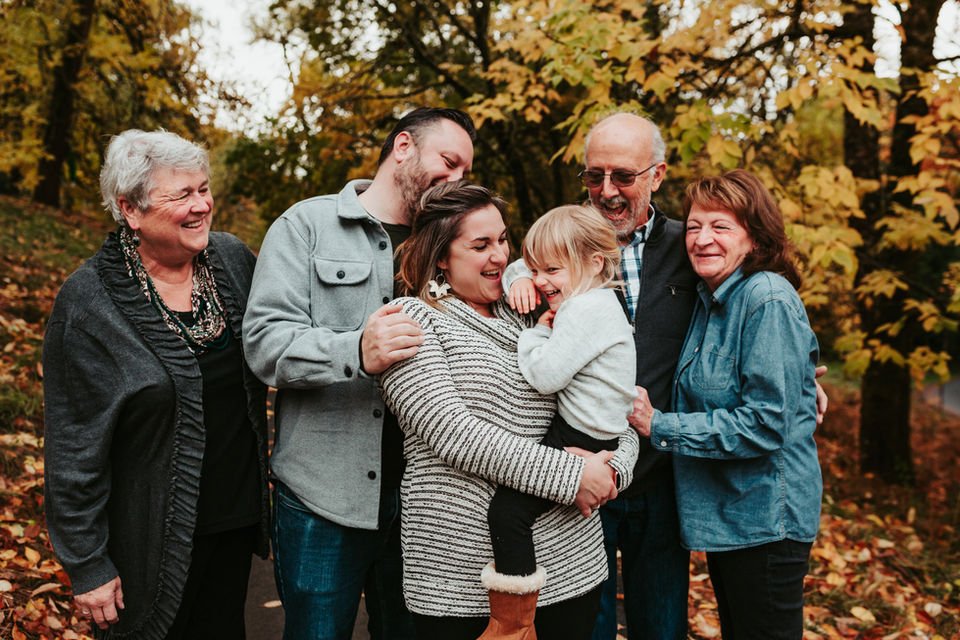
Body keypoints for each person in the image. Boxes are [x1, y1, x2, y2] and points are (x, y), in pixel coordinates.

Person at [242, 107, 475, 639]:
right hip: (323, 499)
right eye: (449, 161)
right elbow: (262, 344)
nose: (457, 179)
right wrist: (354, 350)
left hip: (425, 506)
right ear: (403, 147)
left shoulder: (449, 242)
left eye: (466, 171)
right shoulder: (306, 225)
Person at [378, 181, 640, 640]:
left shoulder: (538, 309)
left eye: (502, 240)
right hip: (460, 575)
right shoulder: (413, 319)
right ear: (442, 256)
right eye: (481, 245)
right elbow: (454, 434)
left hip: (570, 560)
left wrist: (615, 470)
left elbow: (611, 403)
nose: (499, 255)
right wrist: (571, 476)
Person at [43, 129, 270, 639]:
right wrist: (88, 564)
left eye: (204, 189)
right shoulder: (88, 303)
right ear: (130, 209)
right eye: (182, 195)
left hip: (232, 524)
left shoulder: (234, 263)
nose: (201, 206)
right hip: (143, 540)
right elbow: (72, 445)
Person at [630, 169, 822, 639]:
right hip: (732, 520)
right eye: (694, 226)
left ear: (754, 239)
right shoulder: (713, 298)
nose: (701, 238)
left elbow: (765, 424)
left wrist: (660, 425)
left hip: (767, 521)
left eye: (721, 226)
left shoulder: (764, 297)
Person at [485, 204, 636, 592]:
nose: (541, 281)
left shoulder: (583, 310)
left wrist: (534, 333)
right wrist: (521, 275)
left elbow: (544, 376)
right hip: (590, 430)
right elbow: (536, 265)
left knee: (508, 514)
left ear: (595, 262)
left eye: (551, 272)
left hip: (582, 439)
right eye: (535, 270)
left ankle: (515, 615)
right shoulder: (593, 296)